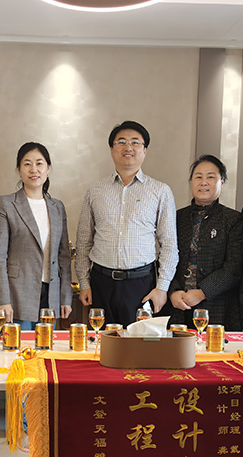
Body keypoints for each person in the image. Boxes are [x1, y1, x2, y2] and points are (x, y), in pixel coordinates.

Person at [75, 121, 178, 325]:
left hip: (142, 285)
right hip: (101, 284)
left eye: (135, 142)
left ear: (145, 150)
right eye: (121, 142)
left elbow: (169, 245)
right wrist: (84, 283)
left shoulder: (160, 191)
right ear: (111, 149)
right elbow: (84, 242)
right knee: (102, 341)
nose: (128, 147)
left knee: (139, 343)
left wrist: (162, 287)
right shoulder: (95, 190)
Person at [0, 142, 72, 329]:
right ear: (19, 170)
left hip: (50, 296)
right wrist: (3, 300)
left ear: (48, 169)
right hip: (17, 296)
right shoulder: (6, 204)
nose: (34, 169)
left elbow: (64, 257)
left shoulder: (57, 207)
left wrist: (65, 297)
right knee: (19, 346)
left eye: (39, 163)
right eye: (27, 164)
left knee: (46, 345)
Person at [168, 155, 243, 331]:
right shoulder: (177, 217)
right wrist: (173, 291)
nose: (203, 182)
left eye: (211, 177)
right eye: (198, 177)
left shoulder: (232, 219)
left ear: (221, 182)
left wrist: (202, 292)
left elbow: (233, 267)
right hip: (178, 306)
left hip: (216, 306)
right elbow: (165, 257)